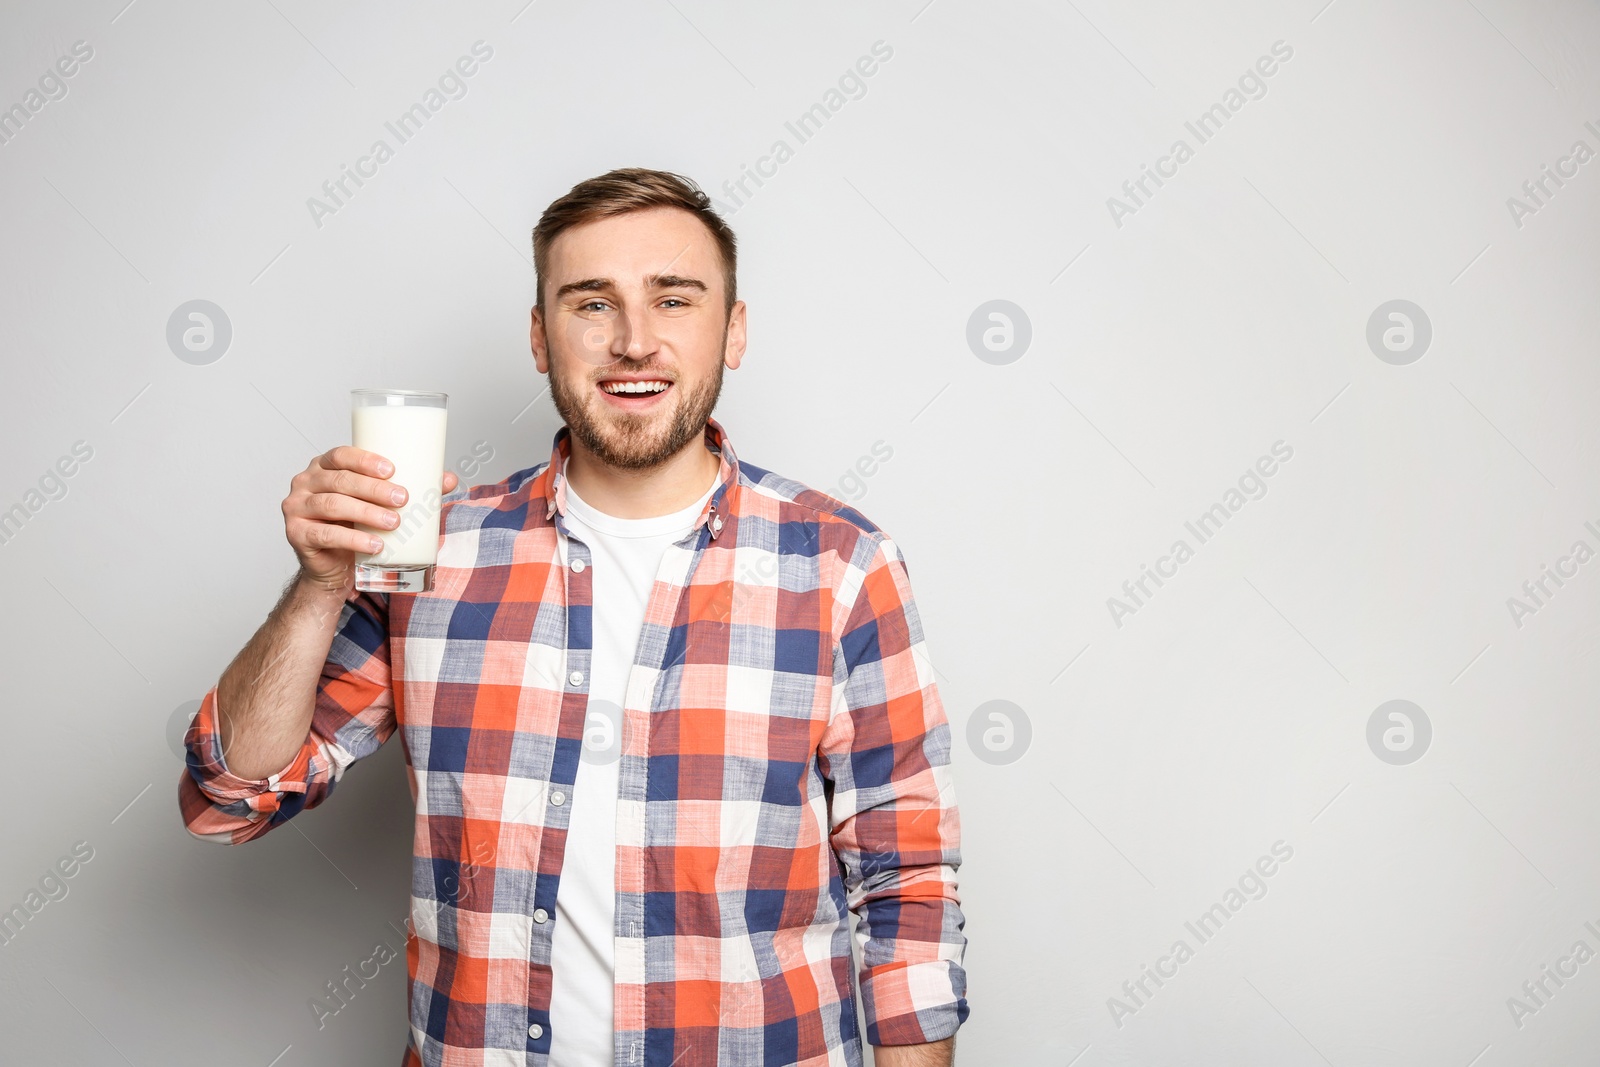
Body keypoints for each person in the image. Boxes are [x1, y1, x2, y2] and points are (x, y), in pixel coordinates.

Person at [178, 167, 969, 1067]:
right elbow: (228, 798)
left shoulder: (842, 565)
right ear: (540, 338)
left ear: (734, 331)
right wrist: (321, 582)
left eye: (674, 299)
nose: (635, 341)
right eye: (592, 304)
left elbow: (906, 884)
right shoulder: (431, 555)